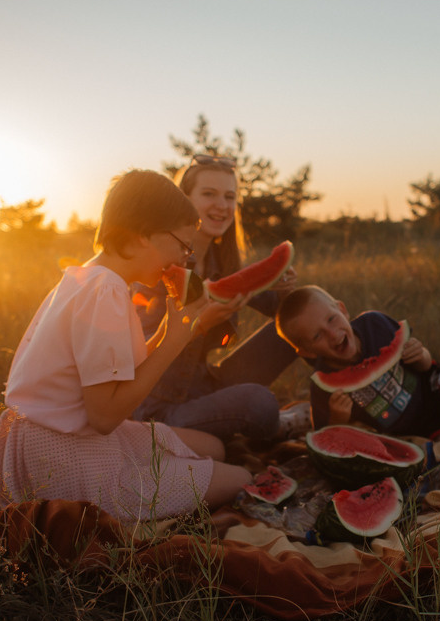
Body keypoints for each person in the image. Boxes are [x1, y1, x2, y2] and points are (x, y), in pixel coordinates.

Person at [0, 169, 252, 519]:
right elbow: (104, 416)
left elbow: (117, 372)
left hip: (40, 440)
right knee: (241, 478)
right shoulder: (107, 293)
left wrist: (175, 329)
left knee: (213, 447)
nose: (185, 259)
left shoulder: (89, 277)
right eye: (182, 245)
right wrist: (174, 340)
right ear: (145, 235)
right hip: (60, 457)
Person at [131, 154, 309, 441]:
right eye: (209, 194)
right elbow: (137, 353)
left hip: (204, 385)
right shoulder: (157, 266)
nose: (222, 205)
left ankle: (346, 393)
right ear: (183, 199)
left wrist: (283, 286)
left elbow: (277, 306)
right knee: (259, 402)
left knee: (296, 324)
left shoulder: (219, 261)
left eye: (229, 196)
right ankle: (277, 426)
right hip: (158, 408)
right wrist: (196, 325)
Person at [275, 285, 440, 461]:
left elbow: (424, 364)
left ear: (342, 309)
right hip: (424, 426)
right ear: (307, 352)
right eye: (317, 335)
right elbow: (328, 439)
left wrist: (421, 355)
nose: (333, 333)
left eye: (331, 319)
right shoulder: (323, 387)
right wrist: (338, 419)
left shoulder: (375, 324)